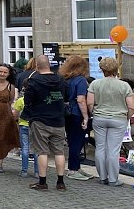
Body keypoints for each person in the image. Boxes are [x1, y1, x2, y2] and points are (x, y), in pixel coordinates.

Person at [23, 55, 69, 191]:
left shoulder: (33, 81)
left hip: (40, 120)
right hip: (59, 120)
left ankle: (42, 182)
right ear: (49, 65)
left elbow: (28, 101)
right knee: (59, 152)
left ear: (36, 66)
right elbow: (66, 97)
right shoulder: (61, 80)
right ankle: (60, 182)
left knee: (42, 151)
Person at [87, 57, 134, 186]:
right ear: (116, 69)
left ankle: (102, 177)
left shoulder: (95, 84)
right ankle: (114, 179)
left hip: (99, 117)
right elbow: (131, 106)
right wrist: (127, 117)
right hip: (118, 118)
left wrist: (94, 113)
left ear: (101, 69)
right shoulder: (124, 85)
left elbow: (90, 103)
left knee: (100, 147)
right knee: (113, 150)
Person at [60, 55, 91, 181]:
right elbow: (81, 100)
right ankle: (73, 169)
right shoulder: (81, 80)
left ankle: (76, 167)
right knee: (76, 142)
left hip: (66, 112)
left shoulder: (64, 79)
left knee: (72, 140)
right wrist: (86, 117)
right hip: (77, 113)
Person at [12, 95, 38, 178]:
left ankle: (24, 171)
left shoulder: (21, 100)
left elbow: (15, 115)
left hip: (23, 125)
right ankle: (37, 172)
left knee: (25, 148)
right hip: (36, 125)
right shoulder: (39, 99)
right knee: (37, 149)